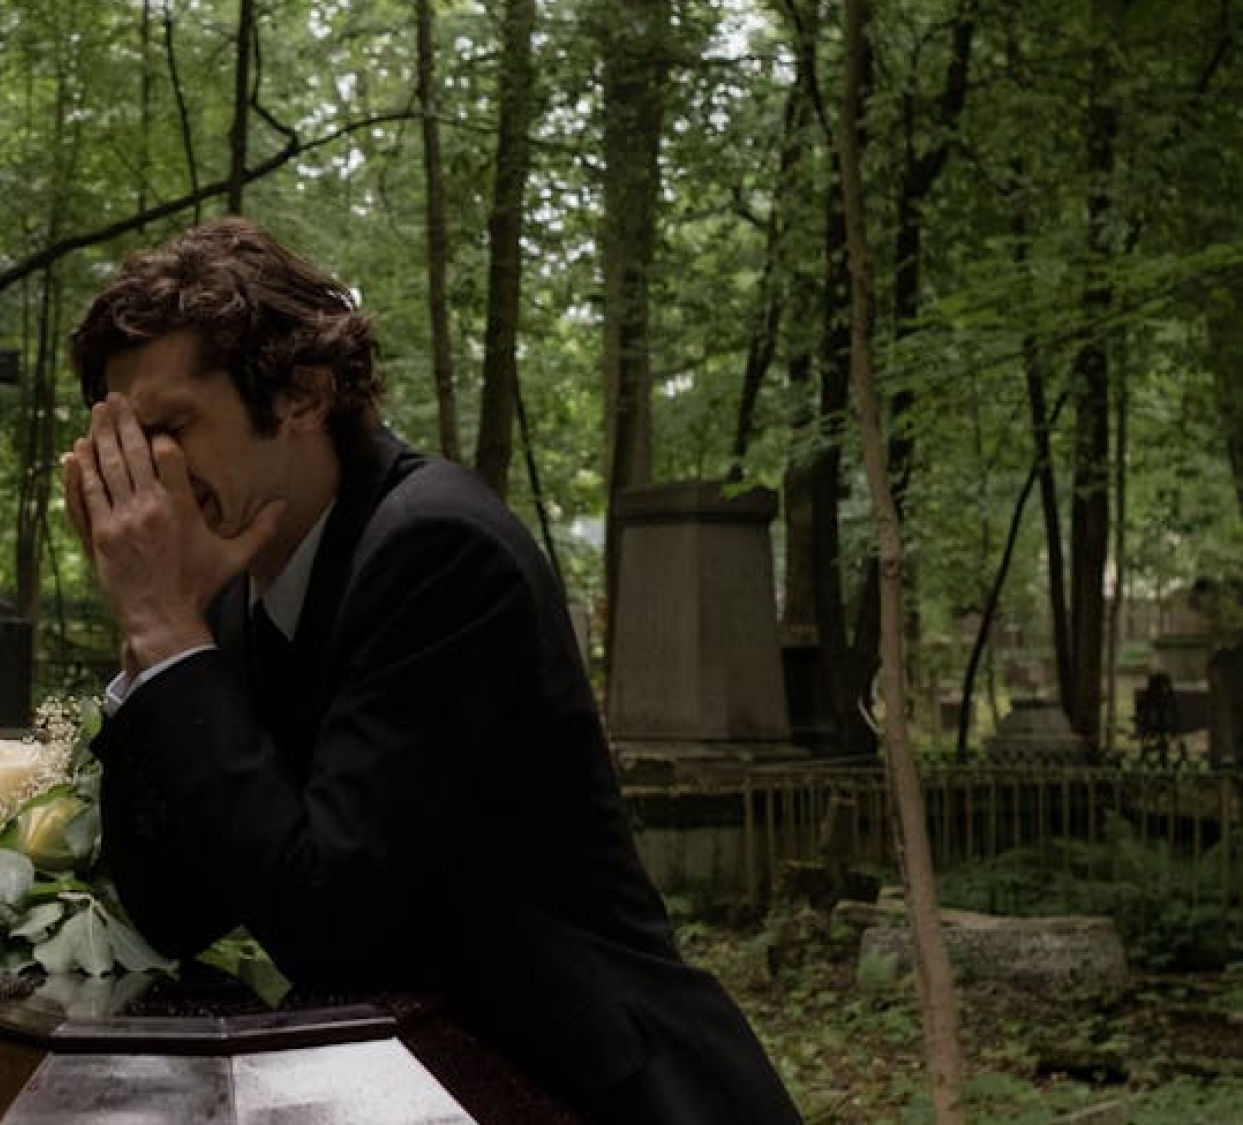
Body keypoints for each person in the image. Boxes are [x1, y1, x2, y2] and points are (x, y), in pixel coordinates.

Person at [60, 217, 802, 1124]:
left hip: (587, 1084)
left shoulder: (437, 549)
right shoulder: (220, 591)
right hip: (422, 1081)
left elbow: (332, 919)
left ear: (300, 393)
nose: (149, 473)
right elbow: (171, 910)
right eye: (126, 441)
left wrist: (165, 630)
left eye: (170, 427)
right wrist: (151, 640)